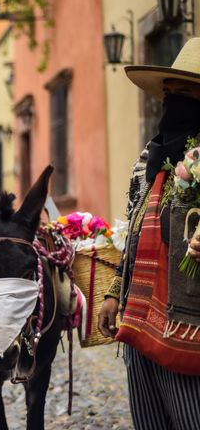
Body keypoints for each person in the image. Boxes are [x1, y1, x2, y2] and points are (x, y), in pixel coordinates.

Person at [98, 37, 200, 430]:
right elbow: (134, 231)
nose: (172, 103)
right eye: (169, 94)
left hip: (187, 325)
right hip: (138, 316)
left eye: (185, 94)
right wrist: (112, 292)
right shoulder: (151, 158)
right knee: (149, 422)